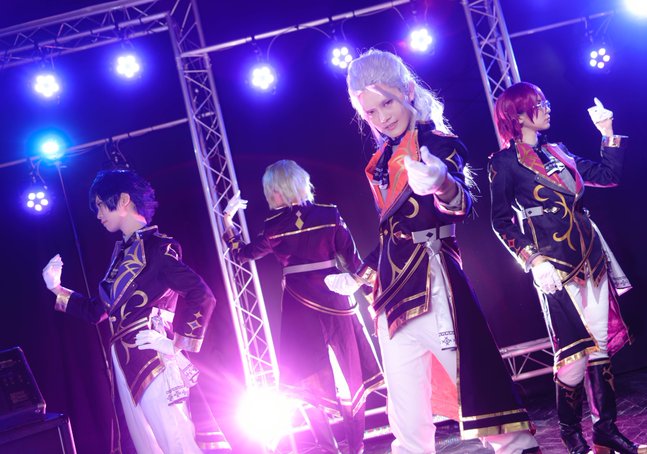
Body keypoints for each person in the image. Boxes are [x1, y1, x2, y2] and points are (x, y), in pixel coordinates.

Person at [327, 48, 540, 454]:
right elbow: (393, 232)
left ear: (407, 90)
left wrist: (442, 182)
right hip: (390, 300)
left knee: (476, 386)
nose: (382, 117)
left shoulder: (439, 144)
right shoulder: (381, 160)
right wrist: (358, 276)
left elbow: (462, 204)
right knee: (405, 415)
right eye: (371, 112)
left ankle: (518, 447)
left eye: (387, 102)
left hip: (434, 285)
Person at [489, 81, 647, 454]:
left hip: (591, 257)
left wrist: (607, 132)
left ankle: (605, 430)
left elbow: (608, 175)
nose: (547, 107)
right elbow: (500, 223)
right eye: (539, 103)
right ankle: (571, 435)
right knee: (573, 354)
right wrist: (532, 260)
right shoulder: (503, 163)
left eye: (546, 101)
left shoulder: (558, 151)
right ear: (518, 115)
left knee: (599, 348)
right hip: (554, 267)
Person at [41, 169, 230, 454]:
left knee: (177, 443)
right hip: (125, 359)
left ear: (123, 200)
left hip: (153, 356)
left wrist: (176, 343)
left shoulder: (158, 247)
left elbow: (202, 295)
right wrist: (57, 289)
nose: (98, 214)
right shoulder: (121, 256)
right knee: (148, 447)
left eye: (101, 205)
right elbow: (96, 311)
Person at [222, 160, 383, 454]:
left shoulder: (274, 225)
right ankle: (354, 447)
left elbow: (241, 253)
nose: (271, 197)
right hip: (333, 299)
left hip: (301, 305)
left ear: (282, 188)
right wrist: (373, 298)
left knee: (307, 379)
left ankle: (331, 447)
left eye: (272, 190)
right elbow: (354, 263)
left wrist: (227, 221)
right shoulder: (329, 214)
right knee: (345, 376)